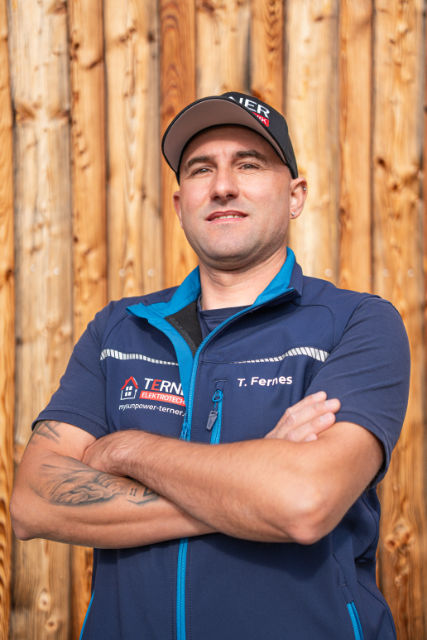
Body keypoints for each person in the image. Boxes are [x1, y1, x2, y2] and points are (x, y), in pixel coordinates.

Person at [11, 92, 410, 640]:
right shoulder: (120, 330)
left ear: (295, 196)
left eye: (249, 164)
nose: (223, 185)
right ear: (181, 204)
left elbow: (303, 503)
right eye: (202, 169)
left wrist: (125, 450)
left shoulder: (356, 323)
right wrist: (254, 489)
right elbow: (33, 502)